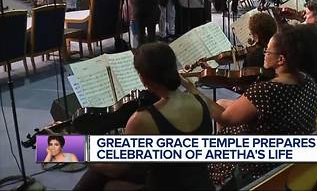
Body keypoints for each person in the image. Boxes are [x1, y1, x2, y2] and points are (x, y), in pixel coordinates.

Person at [75, 42, 214, 191]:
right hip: (202, 184)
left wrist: (80, 152)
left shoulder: (141, 119)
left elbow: (116, 169)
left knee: (108, 183)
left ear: (143, 79)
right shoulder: (200, 101)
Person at [208, 26, 317, 185]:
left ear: (281, 60)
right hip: (294, 159)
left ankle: (227, 179)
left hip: (261, 170)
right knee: (224, 105)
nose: (264, 54)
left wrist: (194, 92)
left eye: (268, 51)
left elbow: (225, 118)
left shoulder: (266, 90)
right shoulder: (308, 80)